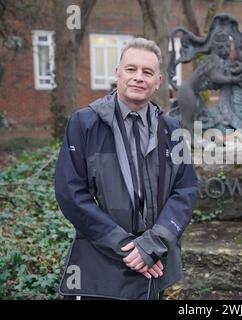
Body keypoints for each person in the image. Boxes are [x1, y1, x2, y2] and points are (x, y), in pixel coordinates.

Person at [55, 38, 198, 300]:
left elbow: (185, 189)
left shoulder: (172, 130)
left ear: (158, 81)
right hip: (99, 263)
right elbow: (71, 193)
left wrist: (153, 244)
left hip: (154, 265)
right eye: (131, 69)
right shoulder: (84, 123)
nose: (138, 78)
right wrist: (128, 247)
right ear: (117, 73)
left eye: (147, 72)